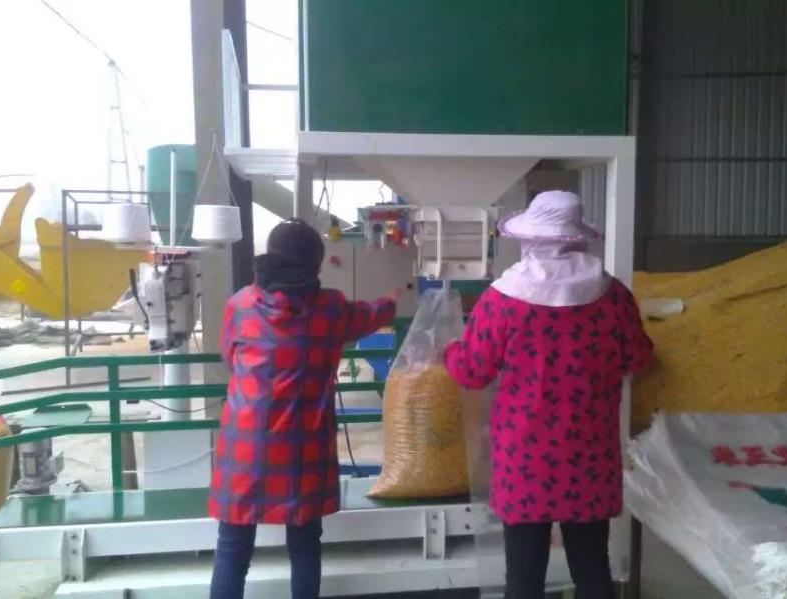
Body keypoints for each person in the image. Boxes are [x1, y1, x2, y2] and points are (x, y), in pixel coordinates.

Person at [444, 191, 654, 599]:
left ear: (530, 239)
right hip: (589, 451)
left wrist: (449, 351)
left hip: (525, 457)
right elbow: (638, 357)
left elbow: (472, 371)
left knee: (524, 577)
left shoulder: (502, 300)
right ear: (576, 239)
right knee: (592, 569)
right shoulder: (612, 296)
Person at [209, 219, 400, 599]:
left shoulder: (241, 304)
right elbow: (372, 314)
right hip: (303, 448)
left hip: (244, 446)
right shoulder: (330, 309)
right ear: (315, 263)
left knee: (232, 547)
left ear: (270, 256)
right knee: (305, 545)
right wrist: (394, 299)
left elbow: (231, 359)